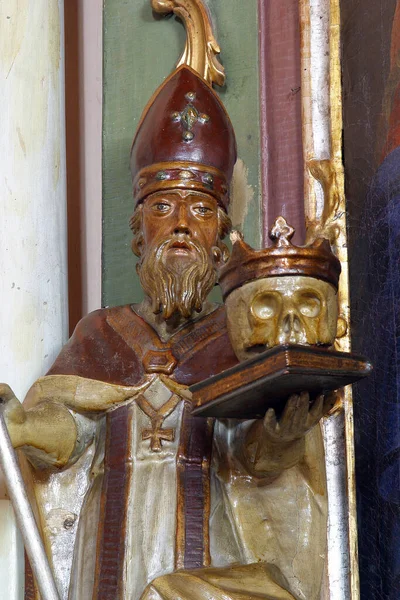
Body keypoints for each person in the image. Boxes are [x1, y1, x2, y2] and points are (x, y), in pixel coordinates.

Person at [1, 28, 330, 600]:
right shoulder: (101, 333)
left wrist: (280, 440)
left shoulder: (238, 339)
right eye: (163, 206)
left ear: (223, 234)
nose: (181, 223)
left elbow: (258, 460)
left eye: (202, 209)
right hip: (107, 548)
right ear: (140, 229)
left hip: (210, 547)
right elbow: (70, 432)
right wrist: (24, 426)